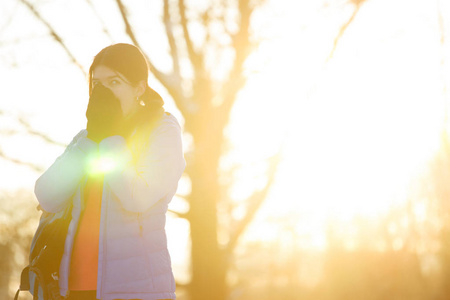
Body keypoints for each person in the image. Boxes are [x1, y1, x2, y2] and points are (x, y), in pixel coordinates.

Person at [34, 43, 186, 300]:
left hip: (136, 290)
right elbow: (47, 195)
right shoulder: (88, 137)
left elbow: (137, 198)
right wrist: (92, 138)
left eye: (114, 82)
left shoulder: (162, 130)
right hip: (73, 288)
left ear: (139, 88)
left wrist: (111, 138)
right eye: (97, 84)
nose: (103, 92)